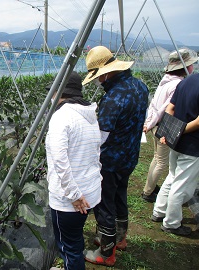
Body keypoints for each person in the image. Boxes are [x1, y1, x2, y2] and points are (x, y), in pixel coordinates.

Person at [81, 46, 149, 266]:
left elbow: (101, 136)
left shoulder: (113, 99)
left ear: (107, 73)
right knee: (120, 196)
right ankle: (120, 239)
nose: (99, 81)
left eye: (99, 77)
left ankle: (106, 252)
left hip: (110, 161)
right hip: (130, 155)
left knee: (104, 204)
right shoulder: (140, 86)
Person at [46, 71, 102, 270]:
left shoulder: (61, 117)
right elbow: (96, 152)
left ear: (59, 93)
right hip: (89, 192)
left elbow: (60, 160)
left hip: (70, 201)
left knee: (68, 247)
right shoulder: (89, 114)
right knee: (74, 239)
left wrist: (74, 194)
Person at [142, 48, 197, 202]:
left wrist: (149, 123)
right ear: (185, 67)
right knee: (162, 163)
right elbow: (166, 109)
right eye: (191, 65)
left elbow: (154, 105)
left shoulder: (166, 81)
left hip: (157, 125)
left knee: (157, 159)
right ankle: (148, 192)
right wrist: (166, 131)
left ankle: (150, 188)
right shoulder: (177, 85)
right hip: (164, 126)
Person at [152, 72, 199, 236]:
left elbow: (170, 108)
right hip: (193, 145)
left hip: (176, 143)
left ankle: (159, 211)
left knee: (172, 176)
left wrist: (172, 131)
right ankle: (171, 223)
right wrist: (181, 131)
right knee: (182, 185)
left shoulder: (187, 81)